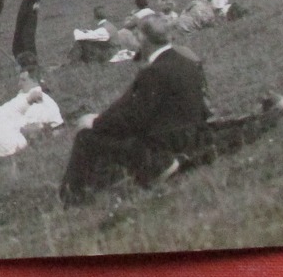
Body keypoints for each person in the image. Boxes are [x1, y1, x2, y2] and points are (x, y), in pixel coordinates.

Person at [60, 15, 212, 205]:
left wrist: (96, 122)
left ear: (143, 38)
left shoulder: (153, 73)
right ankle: (104, 187)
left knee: (87, 138)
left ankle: (71, 199)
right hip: (191, 135)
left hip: (164, 145)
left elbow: (132, 117)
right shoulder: (186, 62)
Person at [11, 0, 48, 75]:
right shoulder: (31, 9)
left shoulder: (26, 4)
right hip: (24, 48)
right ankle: (30, 66)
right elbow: (28, 36)